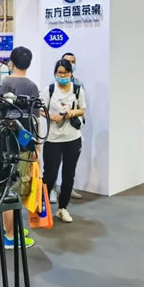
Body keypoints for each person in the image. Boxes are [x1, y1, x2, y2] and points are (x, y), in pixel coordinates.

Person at [0, 46, 38, 249]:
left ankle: (9, 230)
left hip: (3, 142)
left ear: (11, 62)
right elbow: (35, 121)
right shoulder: (32, 87)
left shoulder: (2, 83)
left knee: (6, 186)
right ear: (29, 64)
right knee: (14, 190)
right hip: (23, 145)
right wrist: (36, 149)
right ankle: (11, 236)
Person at [40, 59, 86, 223]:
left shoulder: (78, 89)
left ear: (71, 73)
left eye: (66, 73)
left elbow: (82, 109)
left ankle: (62, 208)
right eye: (60, 72)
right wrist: (51, 116)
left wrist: (72, 113)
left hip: (73, 138)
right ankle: (42, 206)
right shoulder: (49, 90)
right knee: (49, 175)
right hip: (53, 139)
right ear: (55, 73)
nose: (63, 75)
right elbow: (41, 109)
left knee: (69, 175)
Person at [58, 52, 84, 201]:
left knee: (70, 164)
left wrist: (77, 115)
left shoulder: (78, 83)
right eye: (67, 61)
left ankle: (68, 189)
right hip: (58, 128)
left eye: (73, 61)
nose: (70, 64)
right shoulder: (54, 85)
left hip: (73, 128)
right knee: (54, 163)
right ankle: (53, 189)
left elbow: (82, 105)